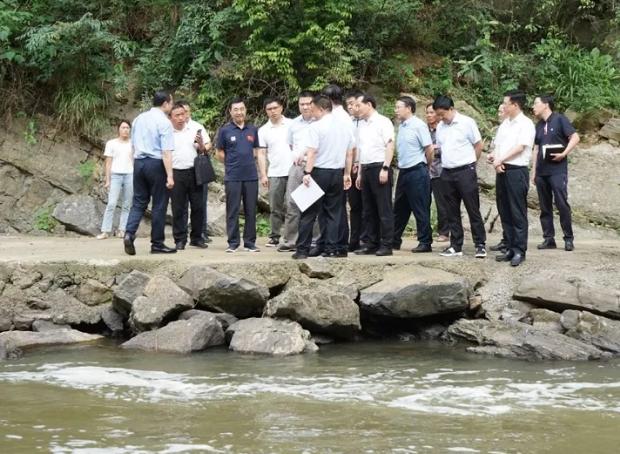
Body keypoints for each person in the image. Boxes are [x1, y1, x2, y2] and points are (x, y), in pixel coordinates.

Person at [293, 94, 354, 259]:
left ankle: (302, 250)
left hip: (319, 172)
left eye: (312, 108)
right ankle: (331, 248)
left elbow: (312, 152)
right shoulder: (345, 127)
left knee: (309, 212)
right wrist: (347, 174)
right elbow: (350, 153)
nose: (310, 111)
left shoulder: (316, 127)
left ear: (321, 108)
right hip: (337, 172)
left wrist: (307, 172)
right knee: (334, 213)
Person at [433, 95, 487, 258]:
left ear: (451, 109)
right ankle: (456, 245)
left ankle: (480, 244)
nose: (441, 118)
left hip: (465, 171)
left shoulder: (467, 122)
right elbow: (442, 147)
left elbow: (478, 145)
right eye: (438, 115)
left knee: (472, 208)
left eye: (443, 114)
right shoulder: (441, 126)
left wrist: (472, 164)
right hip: (447, 172)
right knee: (451, 210)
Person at [123, 90, 176, 255]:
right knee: (159, 204)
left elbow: (132, 145)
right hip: (156, 163)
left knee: (138, 202)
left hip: (139, 163)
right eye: (171, 102)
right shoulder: (165, 122)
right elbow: (166, 152)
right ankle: (157, 243)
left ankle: (129, 234)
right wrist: (170, 175)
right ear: (165, 103)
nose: (172, 105)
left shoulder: (139, 118)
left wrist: (136, 165)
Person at [487, 90, 535, 267]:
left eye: (506, 103)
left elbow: (521, 147)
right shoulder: (505, 124)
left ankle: (519, 250)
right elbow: (498, 145)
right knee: (504, 209)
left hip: (517, 170)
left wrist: (501, 159)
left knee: (517, 211)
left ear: (515, 105)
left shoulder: (526, 124)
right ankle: (509, 247)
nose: (503, 106)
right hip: (502, 169)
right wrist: (495, 158)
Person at [532, 95, 580, 252]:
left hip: (557, 170)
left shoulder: (559, 119)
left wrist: (564, 153)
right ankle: (548, 238)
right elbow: (536, 148)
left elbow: (575, 137)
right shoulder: (539, 125)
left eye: (536, 103)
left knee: (561, 202)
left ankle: (568, 238)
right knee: (545, 206)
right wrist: (533, 170)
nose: (533, 107)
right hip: (542, 171)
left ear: (545, 105)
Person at [215, 97, 260, 252]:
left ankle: (250, 243)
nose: (239, 112)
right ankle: (233, 243)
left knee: (251, 210)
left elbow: (256, 151)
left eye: (241, 109)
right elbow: (219, 152)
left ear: (245, 110)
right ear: (230, 112)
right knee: (232, 210)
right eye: (236, 109)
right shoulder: (225, 130)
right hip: (232, 176)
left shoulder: (252, 130)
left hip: (251, 176)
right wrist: (231, 163)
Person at [355, 93, 395, 256]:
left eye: (359, 105)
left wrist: (385, 168)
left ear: (369, 104)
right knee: (368, 209)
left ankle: (386, 244)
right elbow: (361, 149)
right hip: (366, 168)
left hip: (380, 166)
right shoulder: (361, 124)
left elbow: (390, 145)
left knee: (383, 208)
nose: (356, 109)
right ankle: (371, 243)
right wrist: (359, 174)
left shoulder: (383, 122)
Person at [392, 96, 433, 253]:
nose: (396, 110)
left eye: (398, 107)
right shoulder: (402, 126)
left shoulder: (418, 125)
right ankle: (394, 239)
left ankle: (425, 242)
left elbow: (429, 149)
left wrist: (425, 166)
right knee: (399, 208)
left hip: (417, 170)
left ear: (408, 108)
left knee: (420, 207)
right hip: (404, 171)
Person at [278, 90, 315, 252]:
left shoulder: (320, 122)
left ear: (314, 104)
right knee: (292, 203)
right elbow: (291, 145)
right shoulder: (294, 124)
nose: (305, 107)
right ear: (298, 105)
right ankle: (290, 240)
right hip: (297, 167)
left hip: (315, 167)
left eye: (308, 103)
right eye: (302, 104)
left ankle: (314, 241)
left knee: (314, 204)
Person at [169, 102, 208, 250]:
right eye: (177, 115)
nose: (180, 118)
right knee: (178, 208)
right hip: (176, 172)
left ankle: (197, 238)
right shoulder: (167, 132)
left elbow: (205, 150)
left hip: (194, 172)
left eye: (182, 114)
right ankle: (180, 239)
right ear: (171, 117)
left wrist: (201, 145)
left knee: (198, 206)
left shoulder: (195, 129)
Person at [257, 97, 293, 248]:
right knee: (275, 207)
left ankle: (292, 237)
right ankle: (274, 236)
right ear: (266, 111)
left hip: (293, 171)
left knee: (293, 206)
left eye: (275, 108)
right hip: (275, 172)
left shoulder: (292, 125)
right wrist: (264, 174)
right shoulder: (263, 130)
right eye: (269, 109)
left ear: (281, 108)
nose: (273, 112)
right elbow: (261, 153)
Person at [179, 100, 212, 243]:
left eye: (186, 111)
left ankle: (200, 233)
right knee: (182, 205)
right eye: (181, 112)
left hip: (198, 168)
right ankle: (182, 236)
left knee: (200, 203)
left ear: (190, 112)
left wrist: (201, 145)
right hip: (180, 169)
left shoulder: (197, 127)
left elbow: (208, 144)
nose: (184, 115)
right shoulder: (174, 127)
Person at [97, 120, 133, 240]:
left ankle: (122, 230)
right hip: (116, 175)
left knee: (127, 204)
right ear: (118, 129)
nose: (125, 130)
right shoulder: (111, 143)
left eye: (127, 128)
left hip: (129, 174)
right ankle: (105, 231)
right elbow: (108, 163)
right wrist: (108, 180)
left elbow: (135, 161)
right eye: (123, 127)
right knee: (111, 203)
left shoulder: (133, 144)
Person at [345, 89, 366, 251]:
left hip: (365, 166)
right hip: (350, 168)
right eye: (349, 105)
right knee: (354, 205)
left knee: (368, 205)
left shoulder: (369, 121)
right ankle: (354, 239)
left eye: (354, 104)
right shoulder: (346, 122)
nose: (351, 107)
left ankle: (367, 238)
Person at [426, 103, 450, 243]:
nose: (429, 115)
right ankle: (425, 231)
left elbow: (445, 148)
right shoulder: (424, 130)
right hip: (425, 171)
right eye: (427, 113)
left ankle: (444, 232)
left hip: (439, 171)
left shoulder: (443, 130)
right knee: (424, 202)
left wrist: (433, 149)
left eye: (431, 112)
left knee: (442, 204)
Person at [489, 103, 509, 253]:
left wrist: (499, 160)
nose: (499, 113)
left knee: (511, 207)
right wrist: (493, 157)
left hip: (509, 168)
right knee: (502, 206)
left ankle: (512, 241)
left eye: (501, 111)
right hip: (499, 168)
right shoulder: (500, 129)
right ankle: (506, 238)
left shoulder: (515, 127)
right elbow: (497, 148)